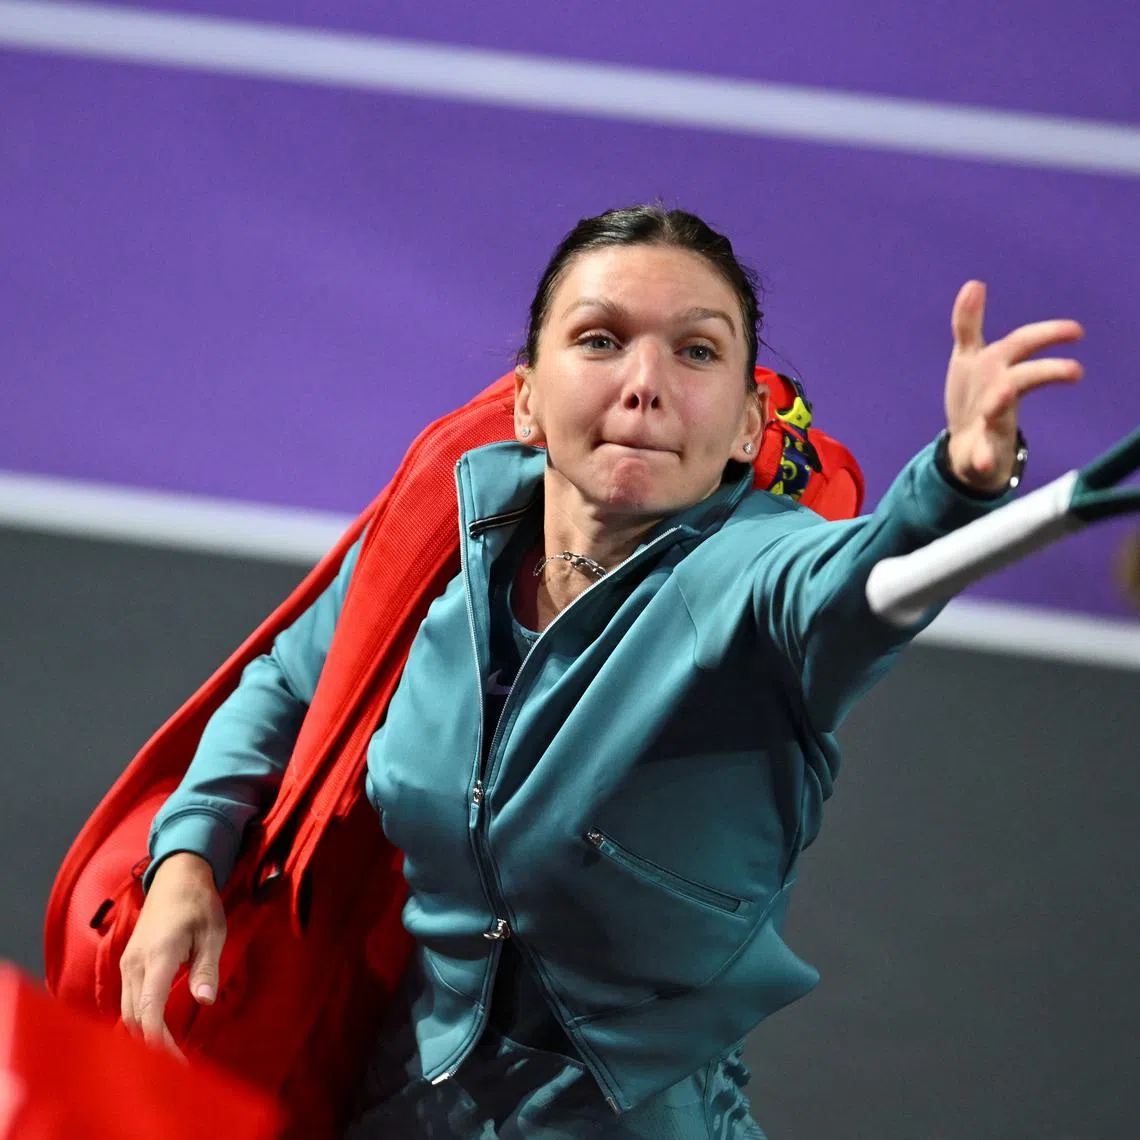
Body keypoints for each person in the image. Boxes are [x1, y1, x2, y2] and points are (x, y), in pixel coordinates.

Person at [117, 205, 1084, 1138]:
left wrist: (956, 486)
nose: (646, 382)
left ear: (749, 427)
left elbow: (864, 589)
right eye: (600, 339)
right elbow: (292, 682)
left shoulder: (756, 589)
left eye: (697, 351)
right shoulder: (440, 545)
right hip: (407, 1092)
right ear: (527, 398)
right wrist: (191, 856)